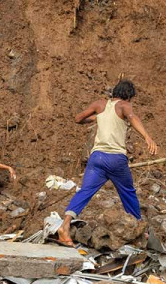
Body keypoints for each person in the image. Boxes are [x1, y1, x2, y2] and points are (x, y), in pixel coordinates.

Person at [57, 80, 158, 246]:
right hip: (115, 158)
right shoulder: (124, 106)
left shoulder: (100, 104)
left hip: (96, 158)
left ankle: (65, 225)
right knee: (128, 192)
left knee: (85, 191)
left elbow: (78, 118)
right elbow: (132, 118)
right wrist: (147, 137)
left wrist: (97, 118)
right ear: (128, 96)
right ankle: (140, 229)